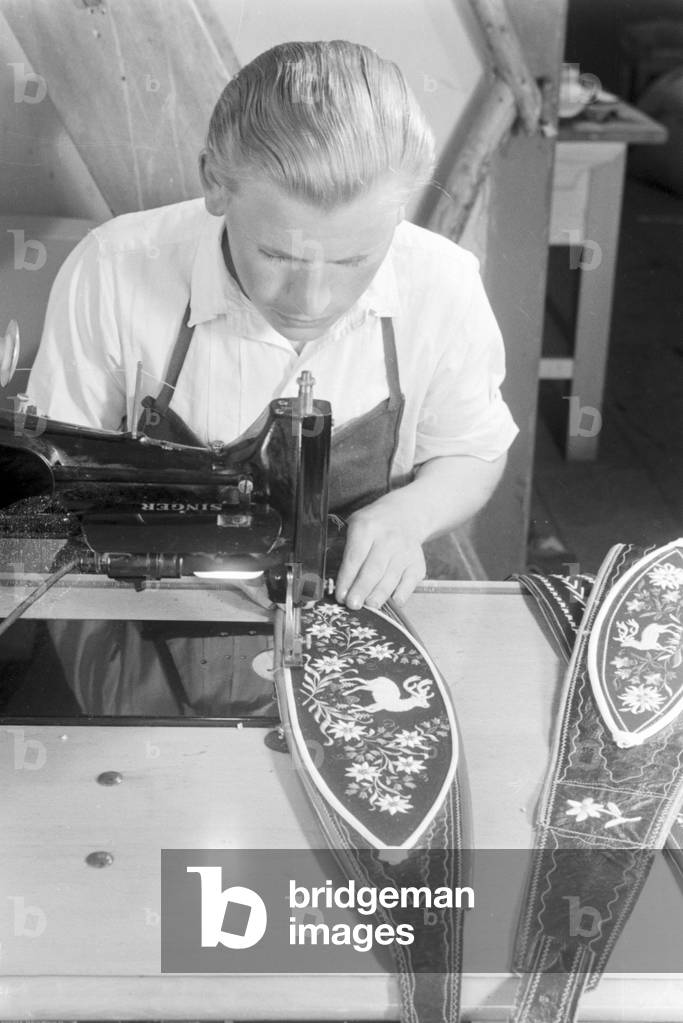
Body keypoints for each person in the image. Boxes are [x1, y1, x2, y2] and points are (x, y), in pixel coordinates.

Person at [27, 39, 518, 612]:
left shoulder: (443, 283)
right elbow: (50, 478)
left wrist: (409, 514)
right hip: (148, 604)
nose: (311, 302)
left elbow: (472, 450)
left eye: (352, 261)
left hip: (349, 607)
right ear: (215, 182)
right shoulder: (112, 268)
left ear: (401, 209)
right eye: (279, 256)